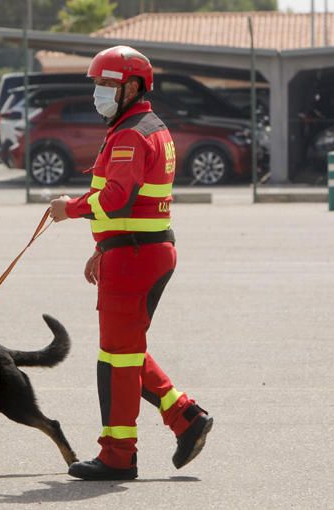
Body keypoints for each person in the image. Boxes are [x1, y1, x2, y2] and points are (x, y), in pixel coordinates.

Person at [49, 45, 213, 481]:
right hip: (136, 250)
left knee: (117, 358)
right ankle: (185, 417)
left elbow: (116, 196)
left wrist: (71, 208)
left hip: (136, 256)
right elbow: (133, 201)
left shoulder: (130, 134)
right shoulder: (143, 126)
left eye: (107, 84)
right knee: (125, 350)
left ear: (133, 86)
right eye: (97, 84)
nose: (99, 93)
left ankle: (118, 456)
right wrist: (104, 246)